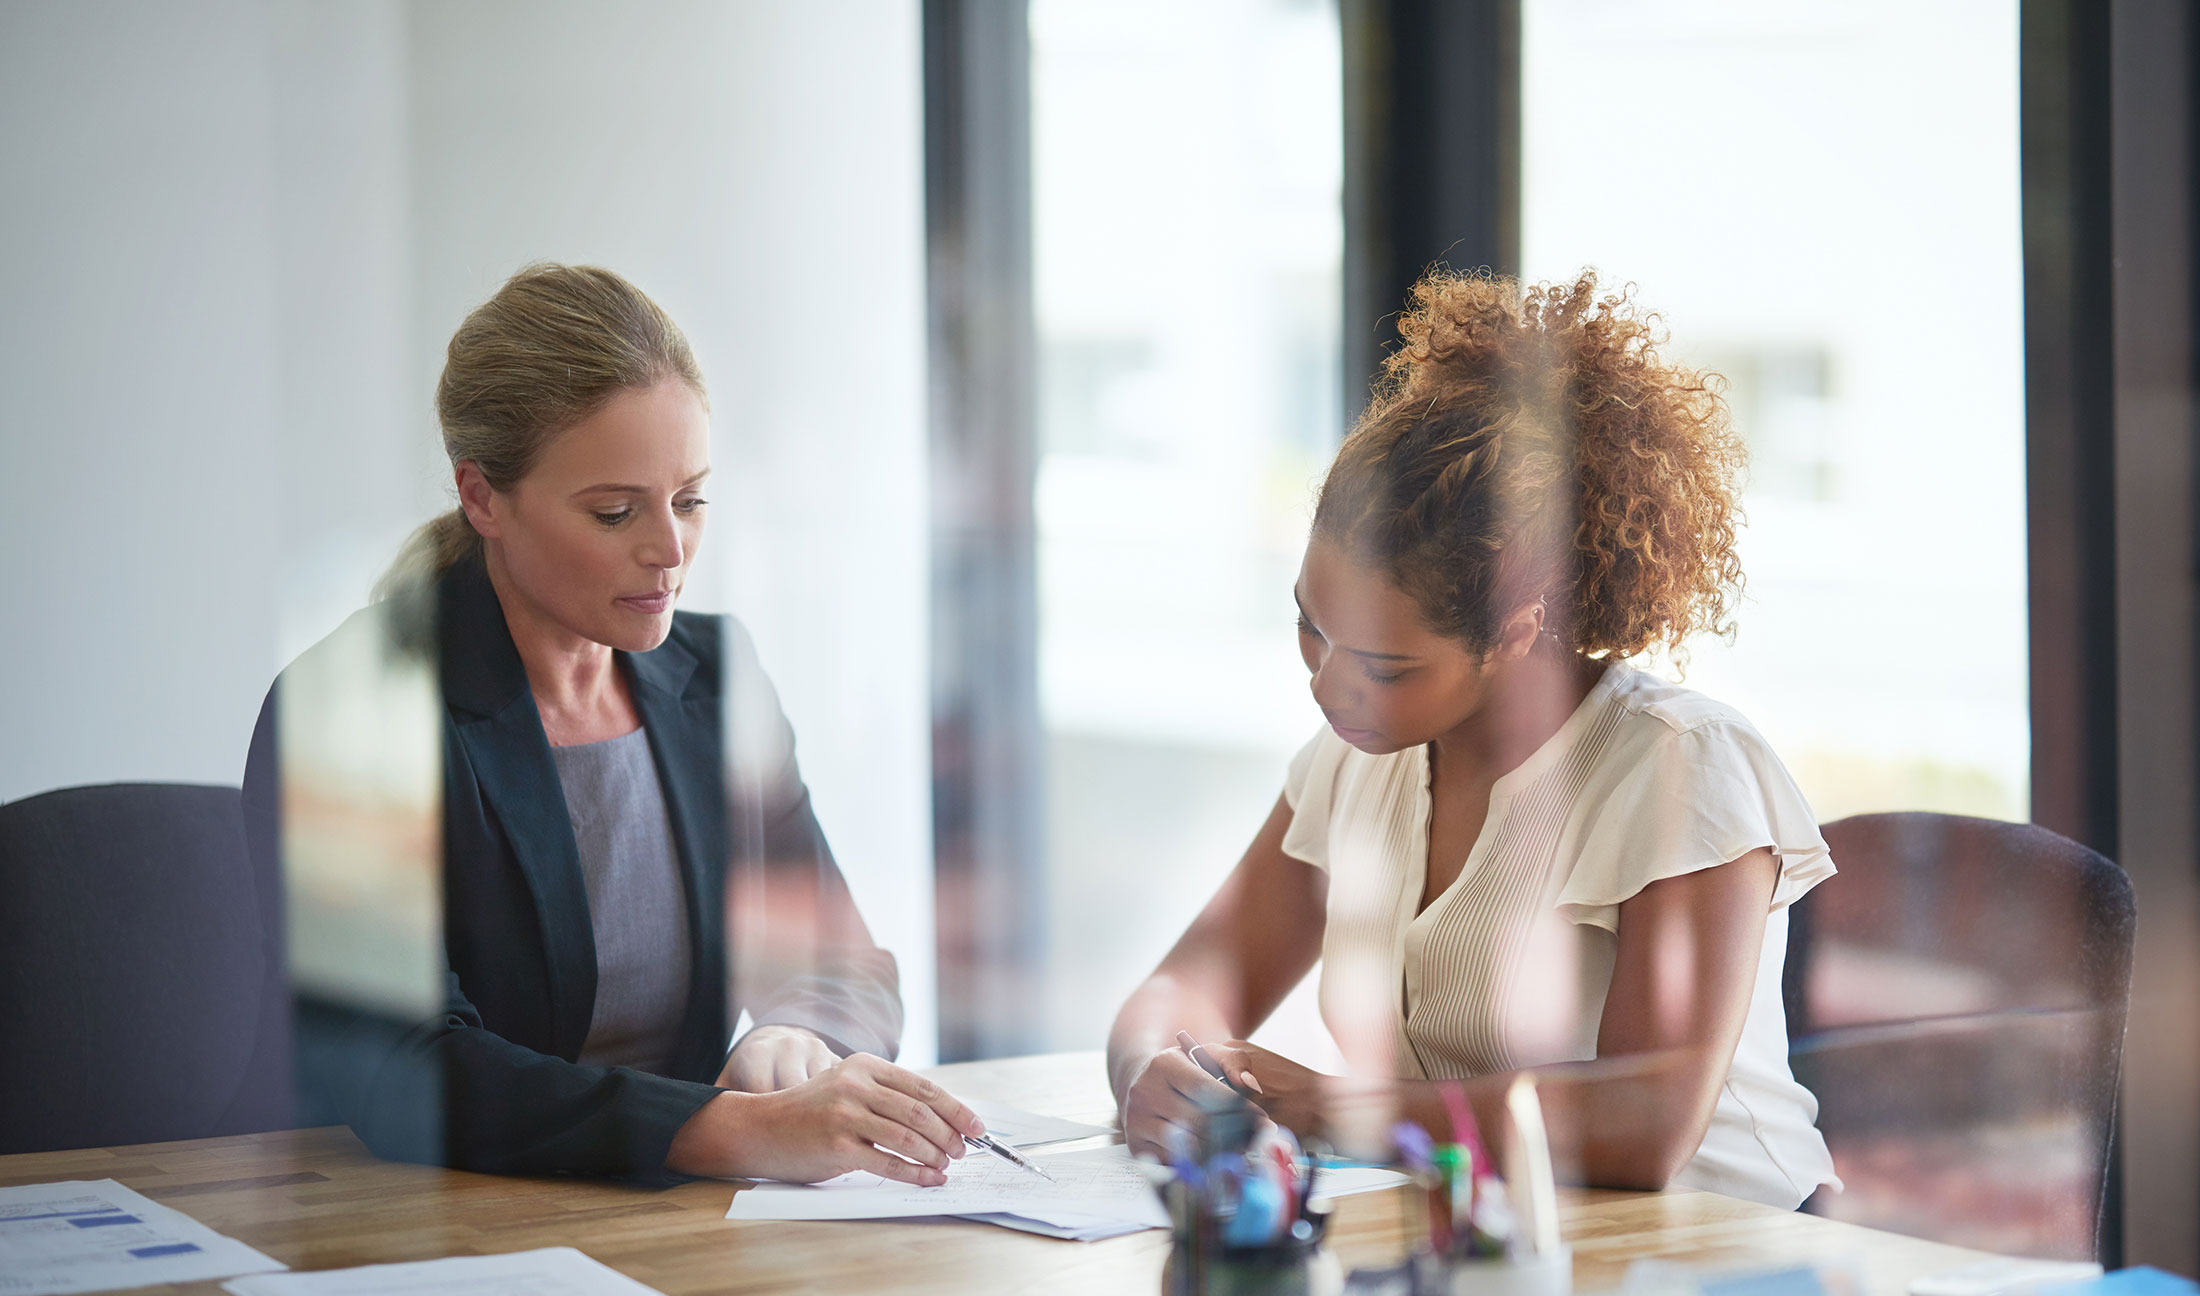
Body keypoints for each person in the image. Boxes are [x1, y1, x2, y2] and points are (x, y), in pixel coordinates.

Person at [1108, 271, 1839, 1209]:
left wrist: (1336, 1107)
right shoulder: (1353, 763)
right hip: (1496, 1249)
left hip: (1722, 1261)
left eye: (1386, 666)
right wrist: (1157, 1071)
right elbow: (1182, 986)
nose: (1329, 686)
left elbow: (1646, 1124)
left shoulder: (1677, 764)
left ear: (1516, 632)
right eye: (1310, 628)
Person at [244, 263, 980, 1185]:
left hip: (659, 1232)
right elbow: (406, 1068)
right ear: (482, 498)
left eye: (691, 499)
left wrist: (797, 1039)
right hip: (406, 1226)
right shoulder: (349, 708)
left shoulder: (715, 676)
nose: (669, 551)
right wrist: (726, 1128)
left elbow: (847, 965)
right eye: (615, 511)